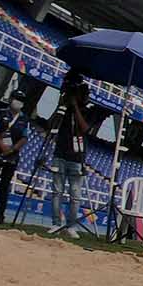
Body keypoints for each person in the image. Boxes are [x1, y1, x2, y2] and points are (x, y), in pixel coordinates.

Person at [47, 73, 91, 239]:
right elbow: (51, 123)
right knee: (57, 191)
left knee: (75, 195)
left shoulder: (86, 111)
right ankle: (56, 223)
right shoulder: (64, 107)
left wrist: (75, 107)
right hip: (60, 153)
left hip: (76, 158)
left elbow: (85, 128)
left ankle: (71, 226)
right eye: (83, 95)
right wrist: (63, 105)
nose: (85, 98)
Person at [0, 90, 30, 223]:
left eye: (20, 100)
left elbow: (25, 137)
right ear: (11, 99)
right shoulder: (1, 113)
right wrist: (2, 146)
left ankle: (0, 217)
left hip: (12, 156)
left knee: (5, 186)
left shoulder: (24, 119)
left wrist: (12, 149)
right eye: (16, 98)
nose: (18, 101)